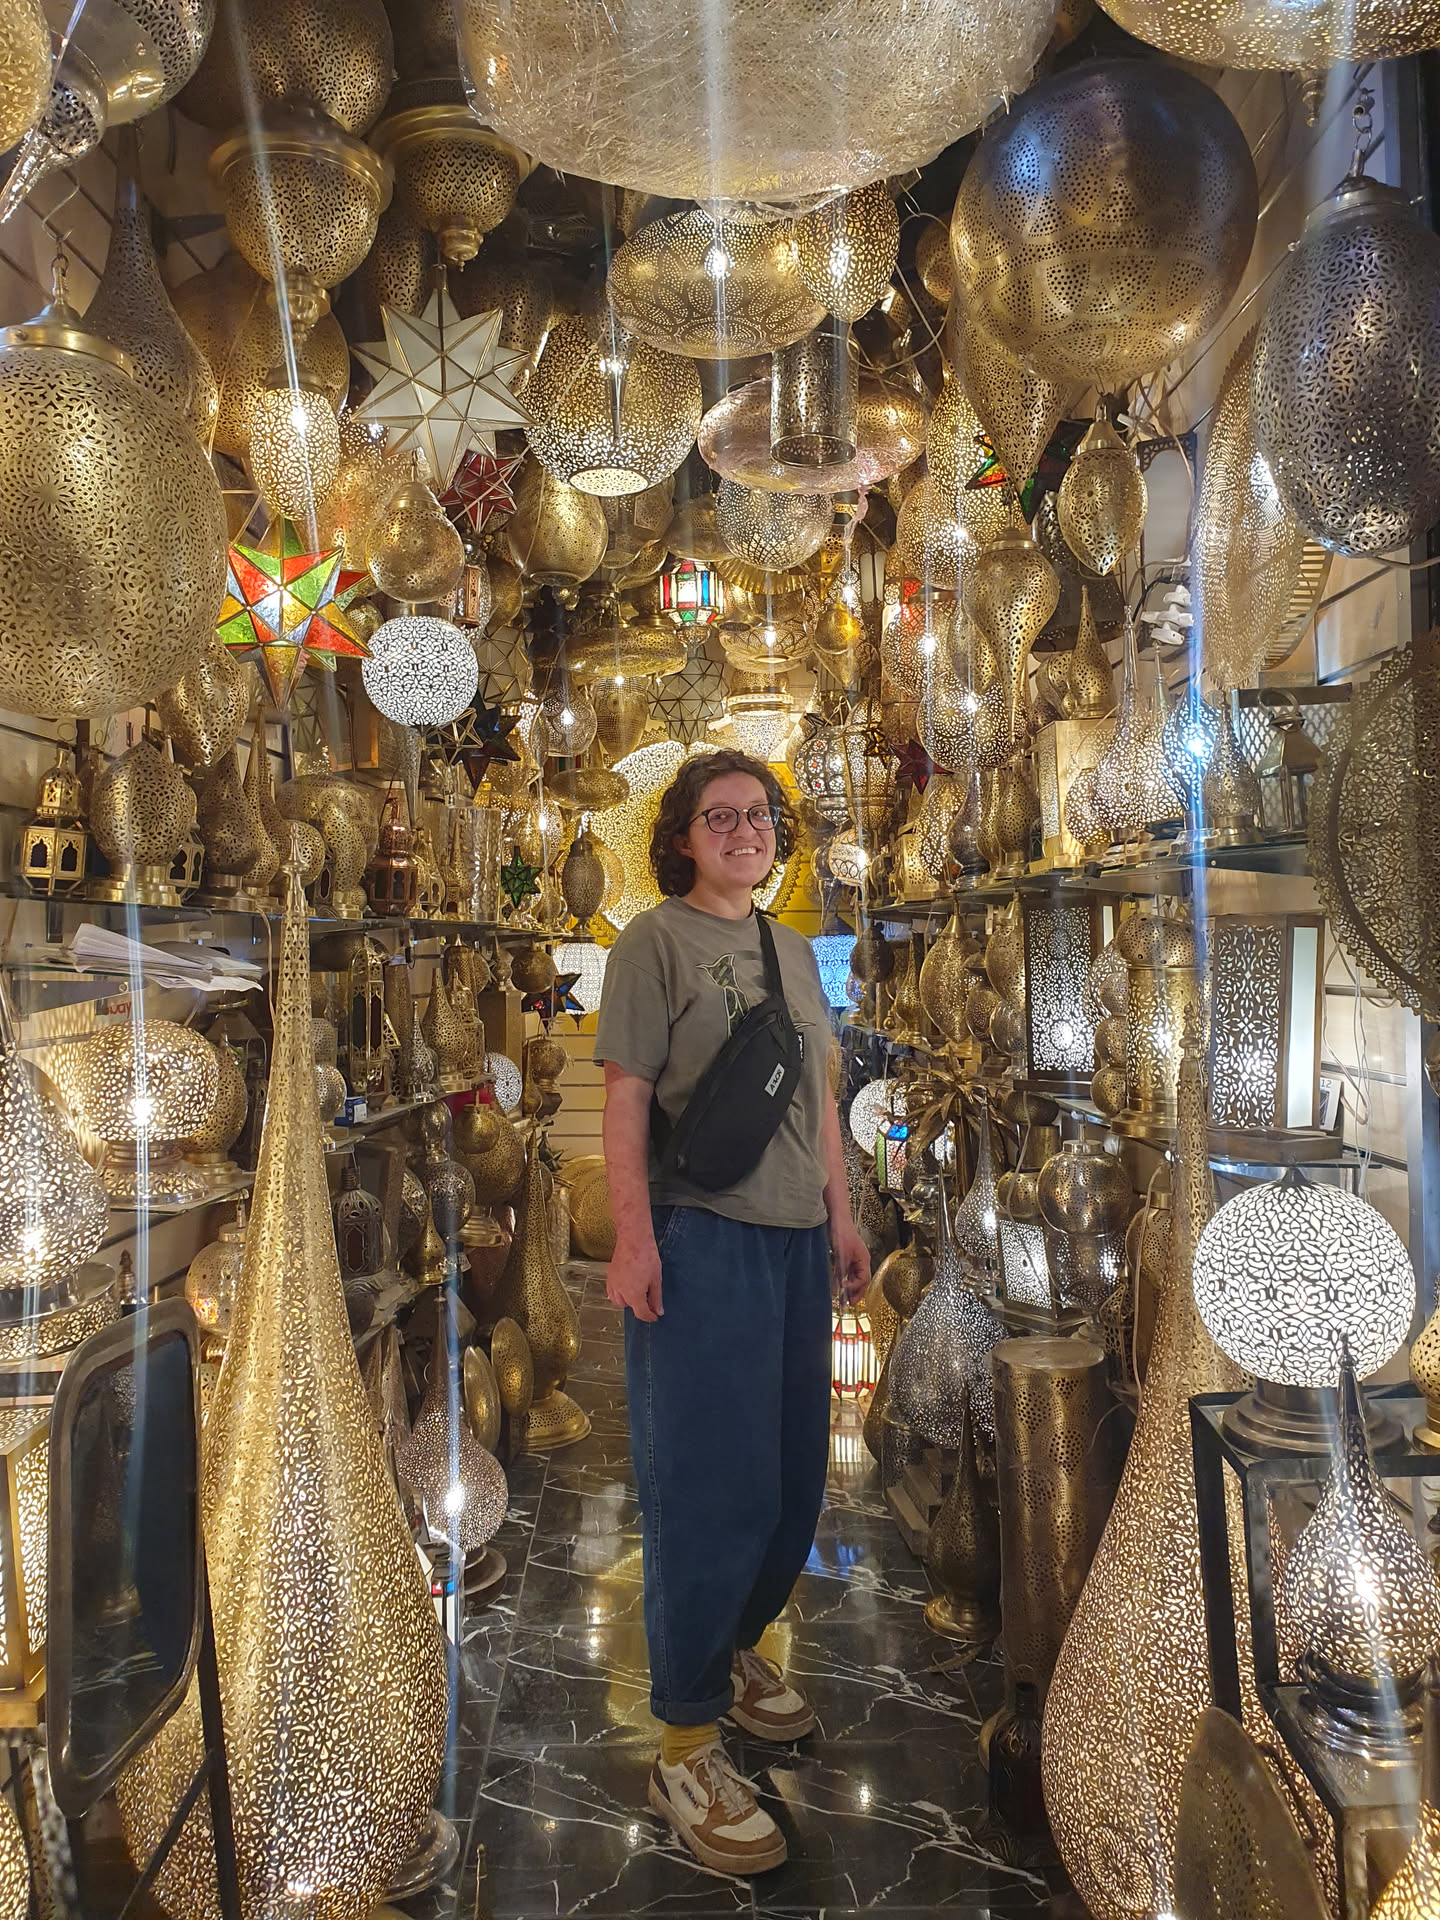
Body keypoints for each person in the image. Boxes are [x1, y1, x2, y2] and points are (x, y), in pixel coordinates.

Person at [594, 746, 871, 1878]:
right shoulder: (651, 944)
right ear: (683, 838)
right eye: (721, 816)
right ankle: (685, 1742)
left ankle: (738, 1648)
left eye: (759, 816)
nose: (745, 831)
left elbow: (820, 1097)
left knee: (793, 1478)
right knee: (709, 1487)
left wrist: (843, 1215)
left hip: (798, 1242)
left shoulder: (794, 950)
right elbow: (624, 1102)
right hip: (701, 1240)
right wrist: (632, 1237)